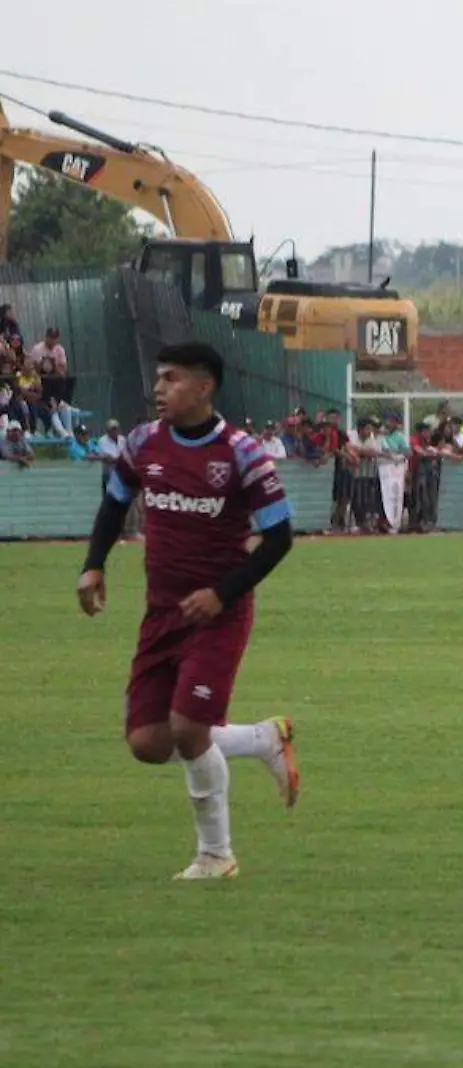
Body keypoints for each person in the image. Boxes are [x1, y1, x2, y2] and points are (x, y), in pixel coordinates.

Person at [75, 341, 302, 879]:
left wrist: (223, 593)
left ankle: (216, 856)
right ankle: (263, 738)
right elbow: (113, 501)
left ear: (204, 388)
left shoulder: (243, 452)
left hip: (218, 614)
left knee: (188, 729)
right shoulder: (142, 443)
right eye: (158, 379)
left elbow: (280, 538)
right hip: (161, 613)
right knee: (147, 742)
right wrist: (94, 565)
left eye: (171, 379)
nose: (158, 389)